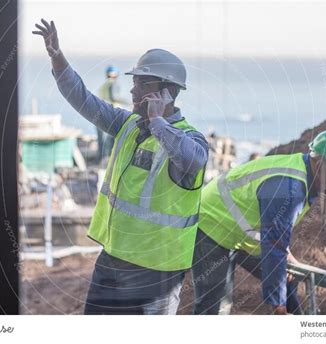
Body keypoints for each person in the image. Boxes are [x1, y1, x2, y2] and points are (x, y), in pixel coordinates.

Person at [33, 19, 208, 315]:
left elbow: (193, 160)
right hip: (113, 260)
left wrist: (158, 122)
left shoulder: (191, 138)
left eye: (142, 83)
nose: (132, 90)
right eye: (134, 82)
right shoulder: (127, 124)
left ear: (166, 92)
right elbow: (83, 99)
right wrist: (57, 57)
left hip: (157, 273)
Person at [192, 129, 326, 315]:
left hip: (238, 230)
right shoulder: (289, 189)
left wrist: (286, 257)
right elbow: (273, 245)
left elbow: (275, 231)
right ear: (320, 164)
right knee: (214, 308)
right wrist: (277, 305)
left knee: (289, 276)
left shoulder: (304, 174)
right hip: (212, 223)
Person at [96, 65, 129, 164]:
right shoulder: (113, 84)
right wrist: (129, 102)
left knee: (102, 140)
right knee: (110, 140)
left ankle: (101, 160)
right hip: (110, 115)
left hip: (99, 115)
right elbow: (114, 97)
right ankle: (109, 161)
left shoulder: (103, 85)